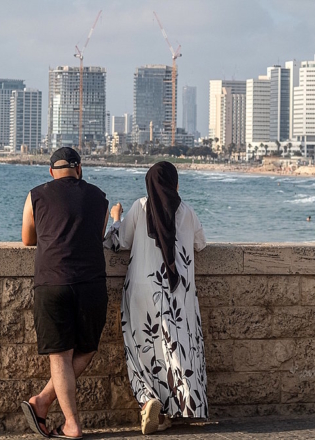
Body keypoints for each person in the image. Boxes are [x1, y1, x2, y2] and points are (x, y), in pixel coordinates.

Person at [105, 162, 208, 434]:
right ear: (175, 184)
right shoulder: (186, 211)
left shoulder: (140, 206)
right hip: (177, 293)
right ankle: (181, 404)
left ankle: (149, 400)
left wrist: (116, 217)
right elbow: (201, 243)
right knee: (175, 346)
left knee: (142, 348)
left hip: (141, 289)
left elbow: (117, 242)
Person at [20, 147, 109, 440]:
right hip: (92, 284)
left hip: (53, 283)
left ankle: (70, 423)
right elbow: (97, 237)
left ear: (50, 172)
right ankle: (42, 402)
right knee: (87, 349)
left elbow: (27, 239)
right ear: (79, 169)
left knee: (59, 357)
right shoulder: (100, 198)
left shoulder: (36, 195)